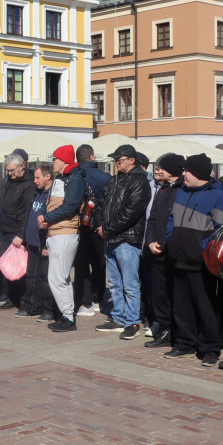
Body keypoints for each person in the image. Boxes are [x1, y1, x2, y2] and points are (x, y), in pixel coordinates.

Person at [163, 154, 223, 366]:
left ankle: (210, 348)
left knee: (205, 306)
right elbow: (171, 219)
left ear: (199, 173)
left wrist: (204, 249)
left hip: (202, 261)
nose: (183, 173)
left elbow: (222, 230)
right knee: (181, 305)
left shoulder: (219, 196)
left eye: (187, 170)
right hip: (179, 256)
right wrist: (169, 240)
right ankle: (184, 343)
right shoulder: (182, 192)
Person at [93, 144, 151, 339]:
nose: (117, 162)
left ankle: (132, 321)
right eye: (116, 159)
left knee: (130, 284)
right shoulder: (114, 180)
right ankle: (118, 317)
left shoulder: (139, 181)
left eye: (120, 159)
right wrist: (100, 226)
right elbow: (100, 204)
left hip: (127, 239)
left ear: (132, 160)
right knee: (115, 283)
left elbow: (131, 211)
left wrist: (107, 229)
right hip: (109, 238)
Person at [39, 145, 87, 333]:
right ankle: (66, 316)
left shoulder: (75, 179)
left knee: (57, 278)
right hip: (56, 232)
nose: (52, 162)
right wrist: (43, 215)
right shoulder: (62, 179)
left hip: (65, 233)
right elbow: (49, 202)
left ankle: (68, 317)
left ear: (64, 160)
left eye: (55, 158)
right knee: (61, 278)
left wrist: (47, 218)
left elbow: (70, 208)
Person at [144, 153, 185, 349]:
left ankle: (174, 330)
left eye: (162, 167)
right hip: (156, 249)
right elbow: (152, 218)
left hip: (173, 251)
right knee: (159, 293)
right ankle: (164, 328)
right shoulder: (162, 190)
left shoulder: (182, 190)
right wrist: (150, 241)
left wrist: (167, 244)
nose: (158, 170)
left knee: (173, 293)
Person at [15, 165, 57, 321]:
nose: (35, 180)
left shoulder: (53, 195)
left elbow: (55, 220)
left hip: (45, 244)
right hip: (32, 243)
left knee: (46, 279)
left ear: (48, 177)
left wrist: (47, 243)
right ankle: (32, 306)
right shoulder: (36, 194)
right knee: (32, 277)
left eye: (38, 177)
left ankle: (49, 309)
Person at [73, 145, 110, 317]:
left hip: (79, 225)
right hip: (100, 226)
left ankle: (85, 301)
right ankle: (98, 297)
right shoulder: (105, 177)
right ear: (93, 157)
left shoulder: (74, 175)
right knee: (99, 263)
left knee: (81, 264)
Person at [0, 153, 36, 310]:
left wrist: (21, 234)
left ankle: (22, 298)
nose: (10, 173)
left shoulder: (28, 183)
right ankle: (10, 296)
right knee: (7, 266)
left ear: (21, 166)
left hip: (17, 231)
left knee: (20, 267)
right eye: (8, 170)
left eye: (12, 170)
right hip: (5, 229)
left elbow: (27, 210)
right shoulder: (6, 180)